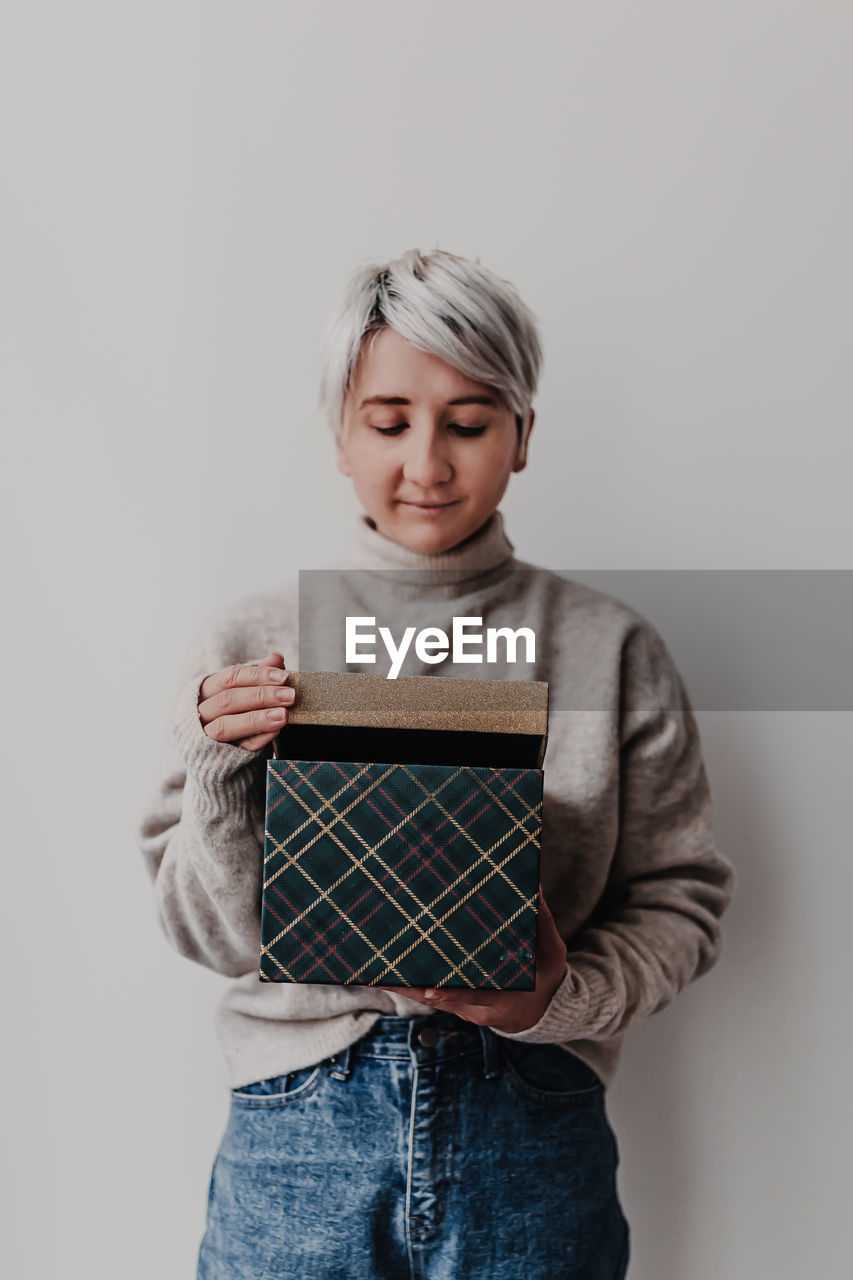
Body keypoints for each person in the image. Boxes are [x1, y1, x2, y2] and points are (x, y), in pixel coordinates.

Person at [137, 247, 735, 1279]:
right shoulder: (248, 640)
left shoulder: (609, 644)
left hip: (534, 1120)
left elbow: (678, 899)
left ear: (523, 435)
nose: (427, 462)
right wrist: (219, 767)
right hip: (297, 1128)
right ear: (339, 432)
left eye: (468, 421)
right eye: (387, 421)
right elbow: (201, 928)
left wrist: (561, 995)